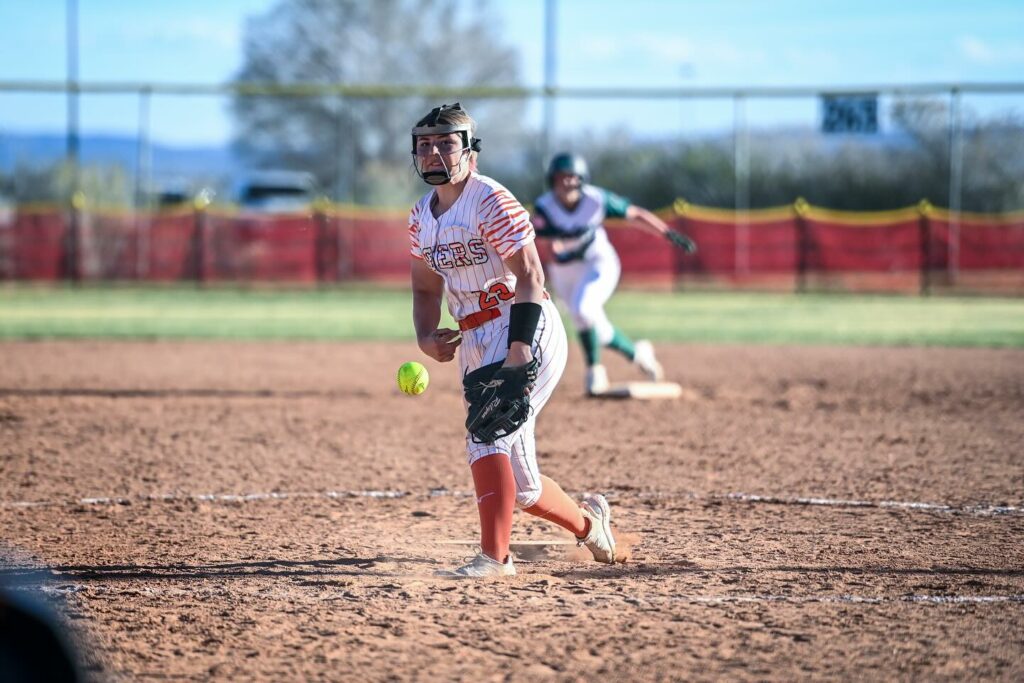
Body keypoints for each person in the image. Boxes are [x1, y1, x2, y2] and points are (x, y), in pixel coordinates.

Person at [407, 103, 617, 577]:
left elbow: (530, 274)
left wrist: (520, 348)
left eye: (446, 143)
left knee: (487, 434)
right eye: (425, 145)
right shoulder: (421, 217)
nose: (434, 153)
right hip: (475, 336)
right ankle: (590, 526)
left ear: (469, 153)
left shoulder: (490, 201)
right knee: (521, 486)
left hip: (522, 322)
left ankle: (494, 559)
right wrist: (424, 336)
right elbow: (424, 286)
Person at [532, 153, 694, 395]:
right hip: (565, 271)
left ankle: (594, 372)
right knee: (590, 321)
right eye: (560, 178)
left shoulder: (596, 200)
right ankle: (638, 354)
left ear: (581, 179)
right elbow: (547, 248)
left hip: (599, 263)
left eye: (571, 177)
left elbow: (635, 214)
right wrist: (556, 252)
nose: (566, 183)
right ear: (552, 180)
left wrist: (666, 233)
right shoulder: (545, 207)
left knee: (583, 309)